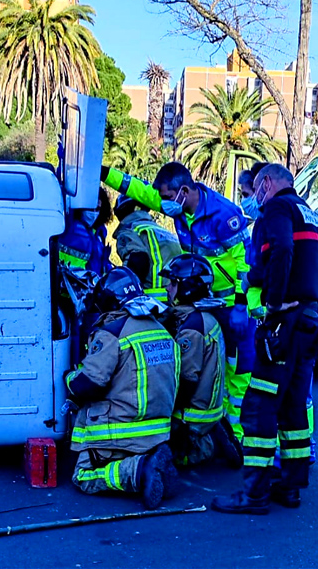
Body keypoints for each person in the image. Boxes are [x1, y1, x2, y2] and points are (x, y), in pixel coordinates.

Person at [212, 163, 318, 514]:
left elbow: (283, 249)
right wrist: (309, 286)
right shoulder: (308, 212)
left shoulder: (277, 208)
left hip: (286, 320)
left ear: (267, 183)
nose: (253, 197)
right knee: (293, 404)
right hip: (311, 318)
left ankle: (254, 495)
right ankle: (291, 487)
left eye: (255, 188)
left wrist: (274, 300)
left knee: (259, 405)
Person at [104, 162, 254, 441]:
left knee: (235, 368)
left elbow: (246, 259)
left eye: (168, 198)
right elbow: (139, 189)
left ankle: (238, 434)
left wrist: (241, 302)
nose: (164, 205)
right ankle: (219, 426)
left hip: (229, 302)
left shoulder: (224, 214)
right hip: (202, 298)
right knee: (210, 361)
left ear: (184, 190)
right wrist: (103, 173)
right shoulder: (180, 208)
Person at [65, 267, 179, 509]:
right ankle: (151, 462)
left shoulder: (112, 332)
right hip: (157, 429)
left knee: (83, 477)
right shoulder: (160, 328)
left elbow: (89, 385)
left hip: (120, 430)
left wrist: (69, 378)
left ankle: (139, 470)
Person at [158, 254, 239, 467]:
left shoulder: (191, 329)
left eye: (173, 283)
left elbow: (187, 379)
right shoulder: (204, 316)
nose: (167, 288)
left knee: (161, 451)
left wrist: (168, 411)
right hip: (208, 409)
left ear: (188, 287)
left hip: (193, 415)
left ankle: (208, 444)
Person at [113, 195, 182, 302]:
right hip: (174, 300)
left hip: (151, 303)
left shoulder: (129, 231)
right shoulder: (162, 231)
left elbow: (138, 261)